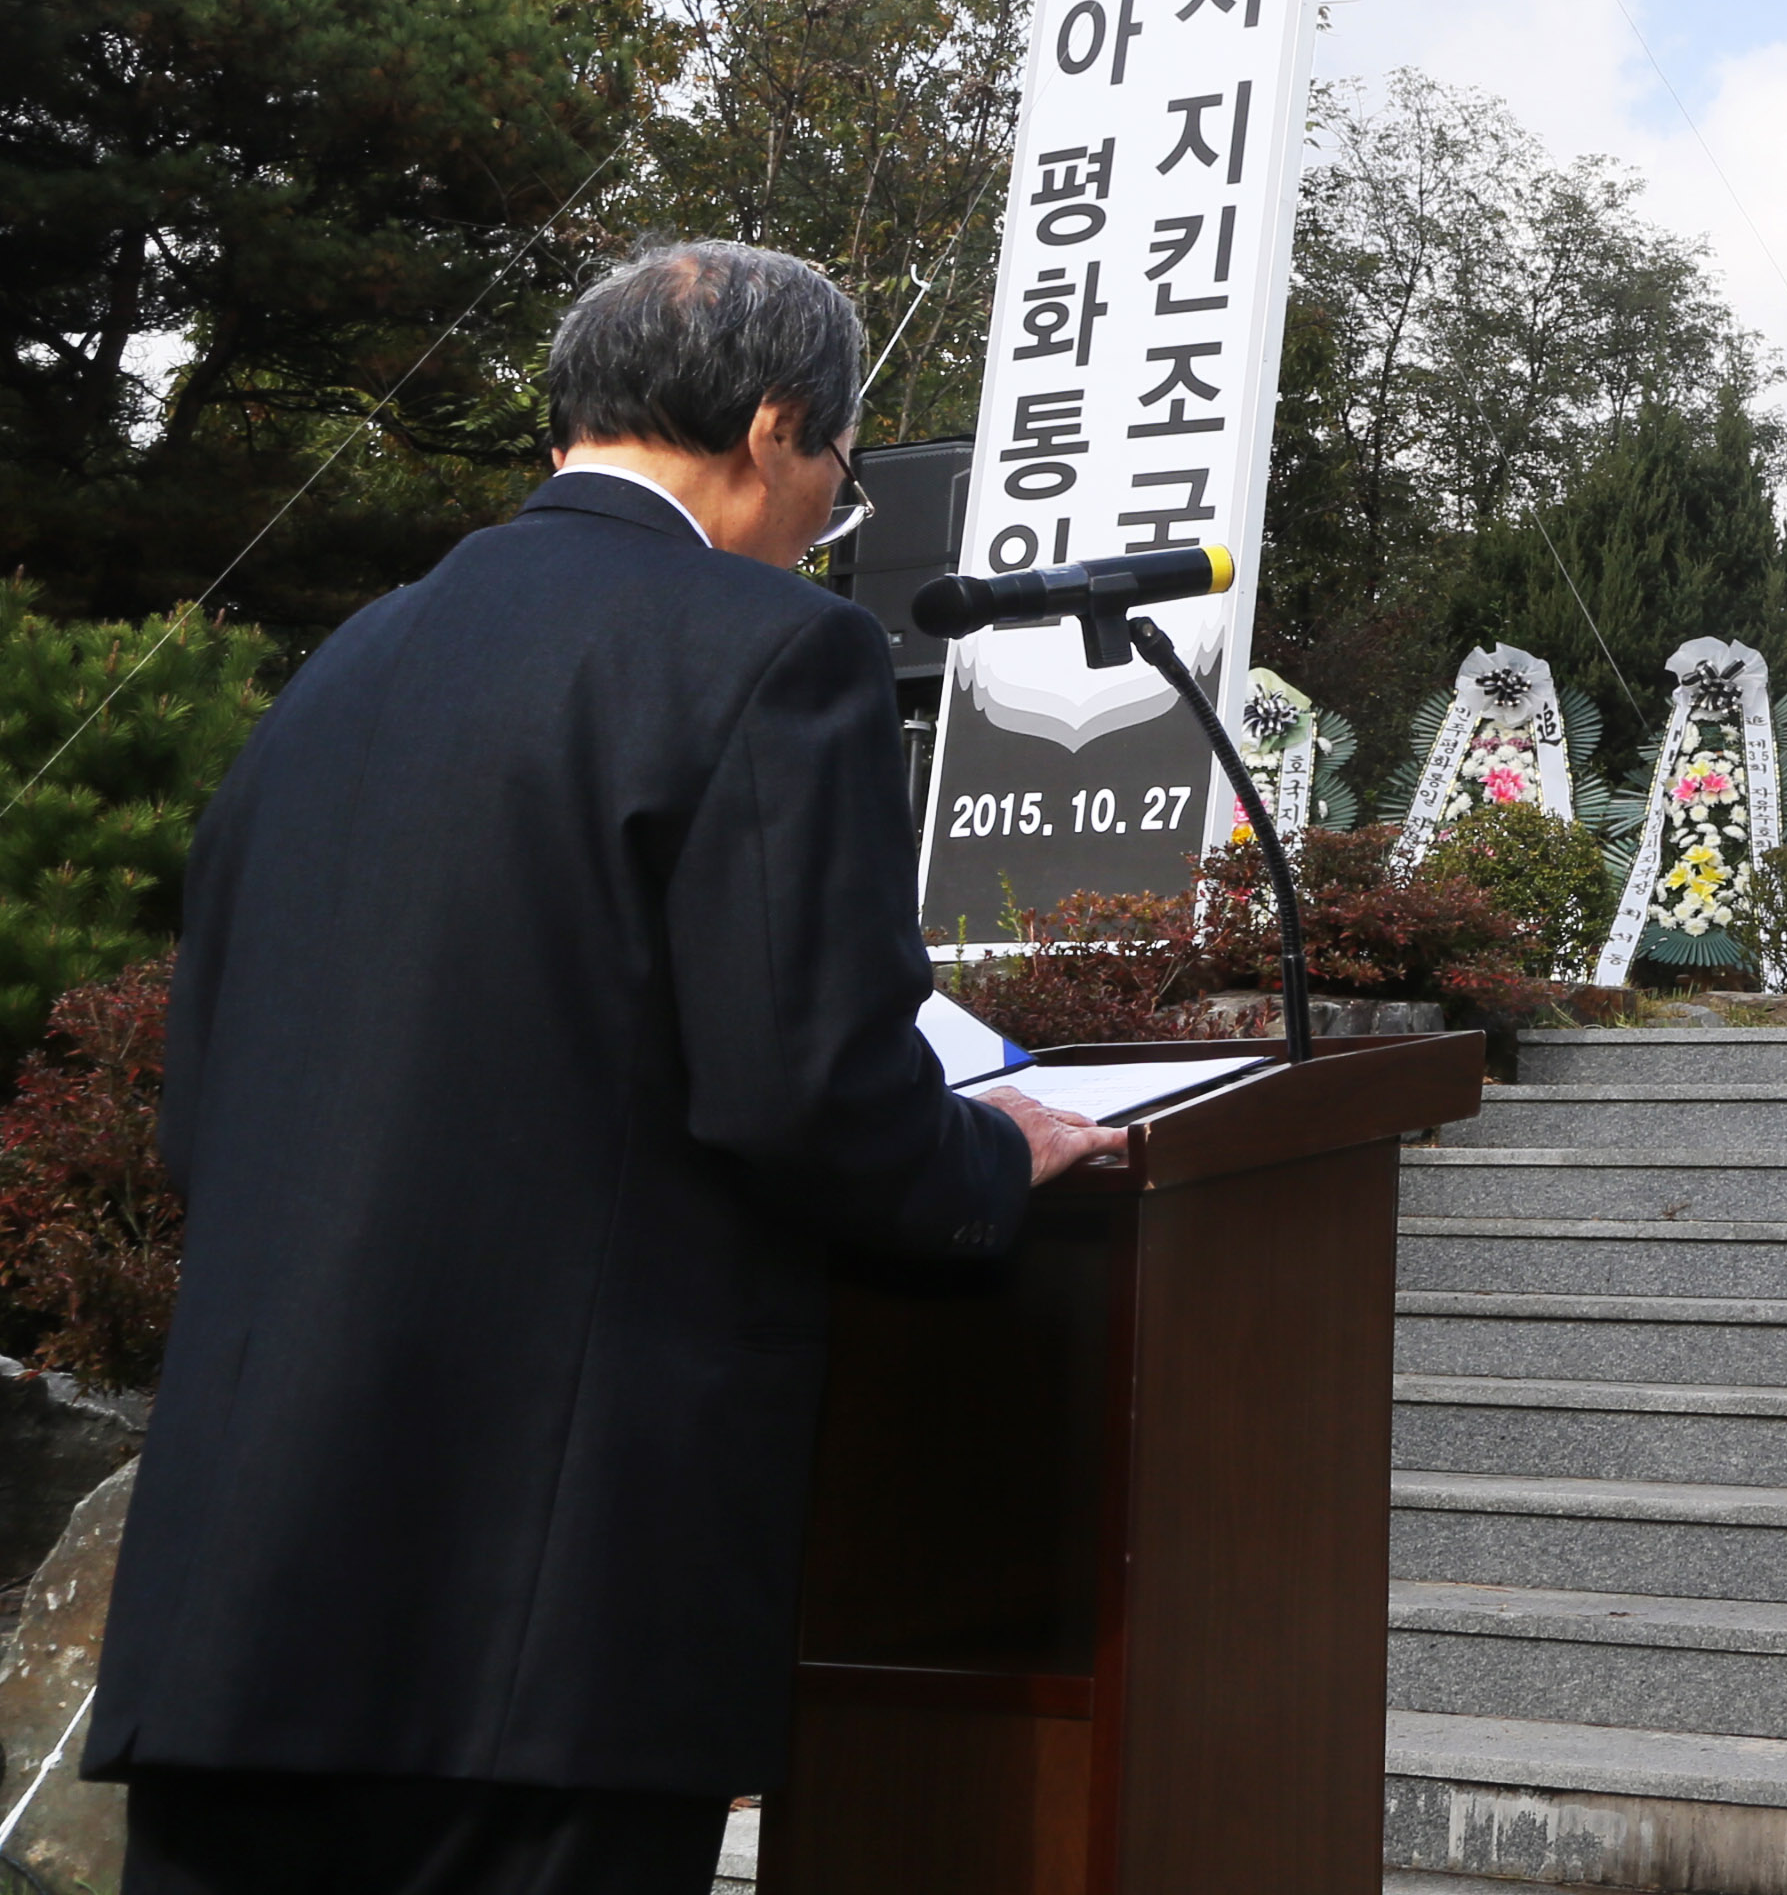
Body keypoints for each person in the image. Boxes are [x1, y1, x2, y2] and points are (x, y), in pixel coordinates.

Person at [86, 242, 1124, 1895]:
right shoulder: (770, 652)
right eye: (839, 476)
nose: (823, 519)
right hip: (540, 1620)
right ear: (778, 426)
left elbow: (205, 1114)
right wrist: (992, 1155)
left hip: (240, 1604)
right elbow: (808, 1087)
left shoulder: (339, 672)